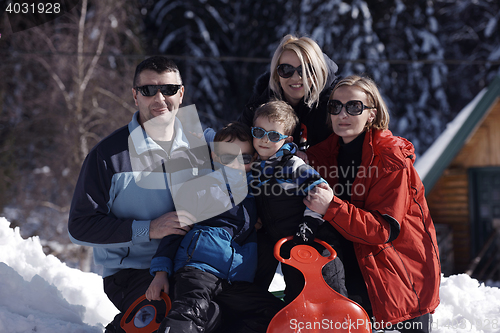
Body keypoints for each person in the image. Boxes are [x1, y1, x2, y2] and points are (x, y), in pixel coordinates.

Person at [68, 56, 219, 332]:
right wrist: (148, 229)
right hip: (133, 272)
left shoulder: (204, 144)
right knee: (169, 319)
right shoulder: (108, 155)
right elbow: (80, 226)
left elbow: (249, 167)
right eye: (149, 90)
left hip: (193, 264)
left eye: (169, 89)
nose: (160, 98)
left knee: (228, 316)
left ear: (181, 94)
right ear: (135, 96)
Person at [304, 75, 441, 332]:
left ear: (371, 114)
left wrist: (331, 206)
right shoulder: (321, 156)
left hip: (396, 280)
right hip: (352, 276)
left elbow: (382, 230)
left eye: (354, 106)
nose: (343, 113)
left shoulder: (389, 159)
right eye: (335, 107)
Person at [146, 122, 284, 333]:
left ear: (253, 159)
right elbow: (175, 229)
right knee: (191, 310)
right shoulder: (201, 186)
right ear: (215, 156)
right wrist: (160, 273)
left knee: (271, 313)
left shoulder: (255, 191)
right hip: (199, 267)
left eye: (244, 158)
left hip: (235, 278)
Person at [249, 100, 347, 305]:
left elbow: (319, 190)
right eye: (259, 132)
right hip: (283, 244)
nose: (264, 140)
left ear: (287, 140)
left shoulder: (293, 165)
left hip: (310, 241)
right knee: (293, 294)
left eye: (273, 135)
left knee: (317, 293)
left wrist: (307, 227)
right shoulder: (255, 168)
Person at [239, 34, 339, 152]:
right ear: (277, 74)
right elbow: (237, 141)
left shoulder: (333, 105)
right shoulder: (261, 102)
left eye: (305, 70)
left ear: (317, 72)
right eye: (286, 70)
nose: (296, 78)